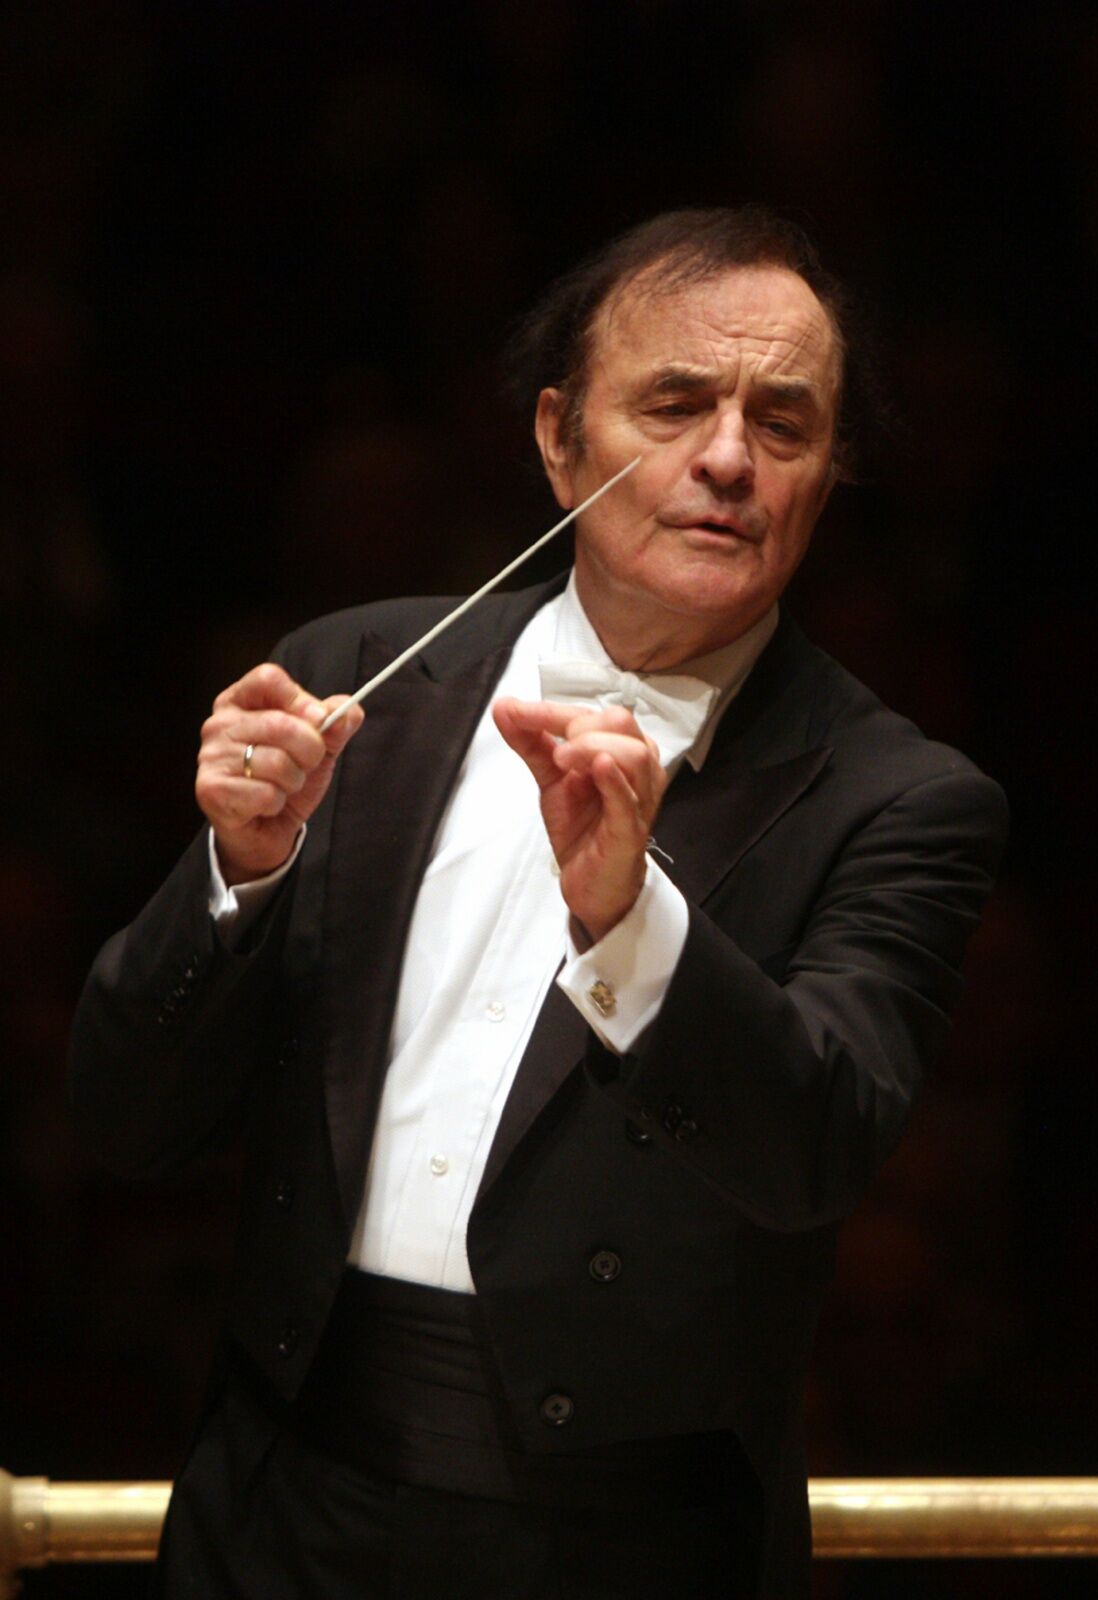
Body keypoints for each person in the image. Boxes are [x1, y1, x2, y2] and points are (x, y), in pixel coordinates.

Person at [70, 206, 1007, 1599]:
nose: (730, 461)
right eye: (676, 404)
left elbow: (816, 1150)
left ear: (829, 474)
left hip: (621, 1545)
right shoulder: (357, 678)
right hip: (279, 1502)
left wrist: (633, 924)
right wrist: (239, 875)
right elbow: (126, 1119)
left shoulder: (898, 797)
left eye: (786, 424)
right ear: (557, 438)